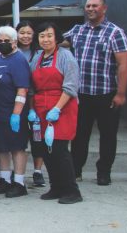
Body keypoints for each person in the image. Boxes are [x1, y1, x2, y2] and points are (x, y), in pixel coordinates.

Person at [66, 0, 127, 186]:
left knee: (108, 135)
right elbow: (56, 43)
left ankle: (104, 172)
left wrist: (121, 93)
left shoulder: (115, 33)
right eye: (88, 6)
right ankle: (76, 170)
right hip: (81, 94)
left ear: (104, 8)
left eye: (95, 5)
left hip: (107, 94)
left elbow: (124, 65)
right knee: (79, 134)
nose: (90, 9)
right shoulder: (77, 31)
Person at [28, 22, 82, 204]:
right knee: (45, 149)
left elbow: (71, 86)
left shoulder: (66, 57)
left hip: (62, 107)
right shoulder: (37, 58)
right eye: (42, 36)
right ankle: (56, 187)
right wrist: (32, 110)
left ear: (56, 37)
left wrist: (57, 109)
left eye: (49, 35)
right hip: (41, 108)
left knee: (59, 149)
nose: (46, 39)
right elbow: (32, 86)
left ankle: (72, 191)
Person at [0, 26, 31, 198]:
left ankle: (19, 182)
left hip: (12, 112)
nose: (3, 43)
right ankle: (5, 179)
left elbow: (22, 89)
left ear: (14, 42)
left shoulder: (19, 60)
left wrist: (16, 114)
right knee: (1, 147)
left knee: (17, 147)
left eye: (7, 41)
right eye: (0, 41)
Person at [16, 20, 46, 187]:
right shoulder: (13, 52)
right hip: (18, 101)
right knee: (18, 137)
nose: (25, 36)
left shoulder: (40, 53)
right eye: (22, 33)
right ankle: (16, 170)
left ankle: (37, 171)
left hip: (36, 101)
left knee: (37, 137)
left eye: (28, 33)